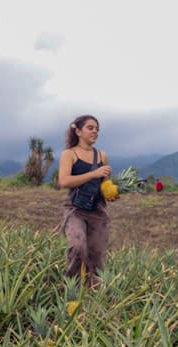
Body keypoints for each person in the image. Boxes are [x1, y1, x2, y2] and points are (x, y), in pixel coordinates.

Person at [57, 115, 112, 287]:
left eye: (97, 128)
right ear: (78, 131)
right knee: (78, 247)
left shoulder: (102, 156)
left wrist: (112, 191)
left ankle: (92, 295)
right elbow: (64, 181)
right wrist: (94, 174)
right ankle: (70, 290)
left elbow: (105, 185)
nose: (95, 131)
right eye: (90, 127)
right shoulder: (69, 154)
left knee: (97, 255)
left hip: (97, 211)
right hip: (75, 209)